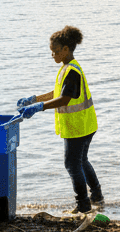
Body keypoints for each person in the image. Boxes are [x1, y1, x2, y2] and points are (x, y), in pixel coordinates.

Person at [16, 26, 104, 214]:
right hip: (86, 123)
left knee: (72, 164)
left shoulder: (72, 71)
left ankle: (83, 205)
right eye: (51, 52)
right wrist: (34, 99)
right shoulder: (69, 67)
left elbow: (64, 99)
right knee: (82, 161)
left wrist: (39, 108)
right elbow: (58, 93)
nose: (53, 55)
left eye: (55, 52)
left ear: (66, 49)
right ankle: (96, 195)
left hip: (78, 126)